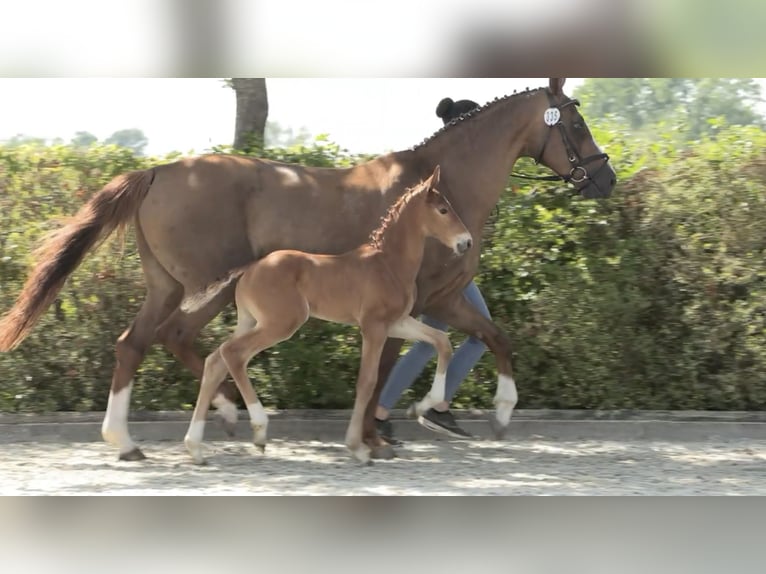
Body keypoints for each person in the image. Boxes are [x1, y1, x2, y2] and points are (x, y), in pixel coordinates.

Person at [375, 97, 493, 444]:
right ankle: (434, 407)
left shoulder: (444, 166)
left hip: (440, 269)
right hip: (444, 271)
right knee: (480, 334)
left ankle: (384, 412)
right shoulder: (453, 172)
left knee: (429, 343)